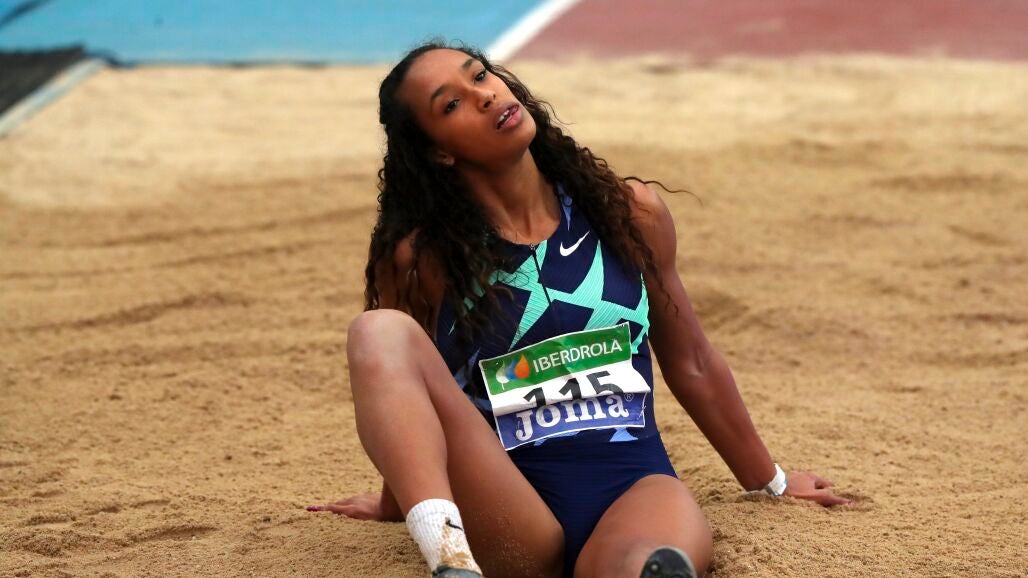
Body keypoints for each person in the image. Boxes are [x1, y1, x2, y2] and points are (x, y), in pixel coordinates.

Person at [307, 41, 849, 578]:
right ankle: (449, 560)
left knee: (651, 565)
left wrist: (772, 482)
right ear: (438, 153)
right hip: (507, 510)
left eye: (480, 76)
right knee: (378, 332)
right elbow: (403, 391)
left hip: (632, 487)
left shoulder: (627, 213)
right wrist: (398, 501)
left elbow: (694, 361)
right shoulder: (423, 258)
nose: (484, 96)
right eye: (451, 104)